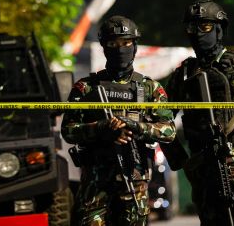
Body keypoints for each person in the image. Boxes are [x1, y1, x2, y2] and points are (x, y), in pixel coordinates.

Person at [162, 0, 234, 225]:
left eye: (204, 27)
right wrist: (180, 160)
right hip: (202, 171)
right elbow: (160, 118)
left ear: (218, 29)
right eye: (192, 27)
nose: (197, 33)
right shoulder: (184, 74)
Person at [61, 15, 176, 226]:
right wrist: (101, 128)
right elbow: (68, 131)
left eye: (126, 43)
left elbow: (168, 130)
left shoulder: (150, 88)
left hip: (134, 179)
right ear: (104, 47)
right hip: (95, 183)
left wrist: (136, 126)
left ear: (134, 45)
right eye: (113, 44)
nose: (120, 48)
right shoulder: (86, 88)